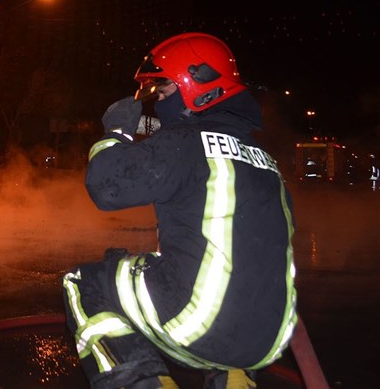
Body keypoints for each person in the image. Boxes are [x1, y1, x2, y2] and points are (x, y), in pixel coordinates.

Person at [62, 32, 297, 389]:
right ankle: (233, 380)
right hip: (269, 339)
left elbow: (107, 186)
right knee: (192, 265)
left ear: (198, 89)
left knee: (84, 283)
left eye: (165, 92)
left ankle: (143, 382)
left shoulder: (188, 141)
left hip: (201, 323)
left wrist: (116, 133)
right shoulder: (264, 159)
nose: (158, 104)